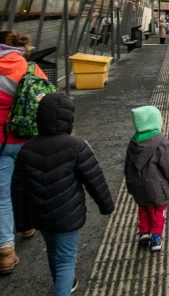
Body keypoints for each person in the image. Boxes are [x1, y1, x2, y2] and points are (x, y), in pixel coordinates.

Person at [11, 93, 114, 294]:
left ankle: (63, 282)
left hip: (40, 215)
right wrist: (106, 205)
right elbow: (95, 179)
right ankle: (63, 288)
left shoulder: (27, 148)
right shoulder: (76, 146)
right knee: (66, 259)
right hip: (68, 215)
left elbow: (18, 190)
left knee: (52, 250)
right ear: (68, 119)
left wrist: (23, 222)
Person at [0, 31, 47, 274]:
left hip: (0, 140)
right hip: (27, 138)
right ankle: (26, 225)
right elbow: (47, 102)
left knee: (2, 195)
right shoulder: (30, 70)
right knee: (27, 183)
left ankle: (6, 251)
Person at [124, 106, 169, 252]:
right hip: (157, 188)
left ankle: (144, 233)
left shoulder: (133, 143)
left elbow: (128, 168)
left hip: (139, 188)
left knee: (143, 208)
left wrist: (131, 187)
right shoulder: (161, 142)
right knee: (158, 211)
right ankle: (156, 237)